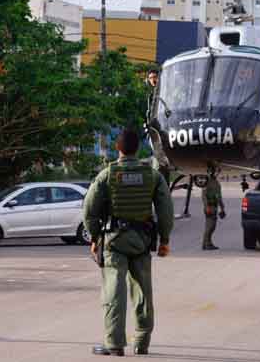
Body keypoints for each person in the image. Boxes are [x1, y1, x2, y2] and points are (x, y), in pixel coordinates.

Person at [83, 129, 175, 357]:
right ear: (138, 149)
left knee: (114, 290)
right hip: (142, 241)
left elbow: (89, 210)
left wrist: (94, 237)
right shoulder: (152, 175)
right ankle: (142, 342)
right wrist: (164, 240)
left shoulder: (107, 175)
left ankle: (114, 344)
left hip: (114, 242)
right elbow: (166, 211)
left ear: (118, 148)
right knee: (143, 291)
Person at [201, 169, 226, 250]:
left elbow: (219, 196)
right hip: (209, 206)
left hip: (215, 207)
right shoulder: (206, 183)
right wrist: (206, 206)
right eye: (214, 173)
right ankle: (206, 244)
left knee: (212, 227)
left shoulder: (217, 183)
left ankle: (208, 243)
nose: (215, 174)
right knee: (209, 226)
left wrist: (222, 208)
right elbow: (204, 196)